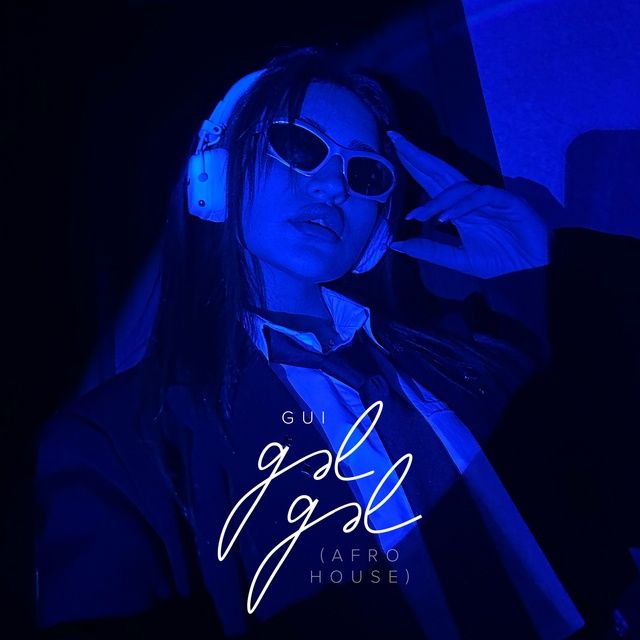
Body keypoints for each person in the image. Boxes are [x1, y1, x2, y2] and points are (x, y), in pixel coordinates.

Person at [36, 47, 586, 639]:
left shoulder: (476, 364)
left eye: (365, 173)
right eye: (299, 146)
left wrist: (539, 272)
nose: (333, 187)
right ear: (214, 173)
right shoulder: (117, 443)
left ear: (378, 226)